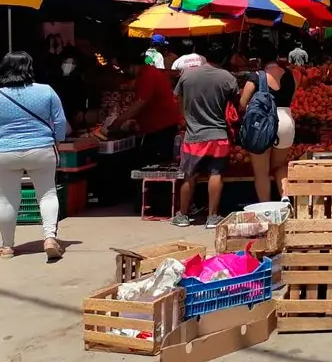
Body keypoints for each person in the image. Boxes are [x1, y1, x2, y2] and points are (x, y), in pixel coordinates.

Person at [0, 52, 68, 260]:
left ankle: (7, 247)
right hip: (42, 149)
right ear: (29, 68)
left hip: (5, 151)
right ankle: (49, 238)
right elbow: (60, 121)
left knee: (6, 199)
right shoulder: (46, 91)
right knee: (47, 193)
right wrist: (57, 141)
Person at [172, 45, 238, 229]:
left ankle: (182, 215)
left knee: (189, 175)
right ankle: (212, 217)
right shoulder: (228, 78)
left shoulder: (187, 75)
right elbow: (235, 105)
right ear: (224, 58)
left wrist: (186, 118)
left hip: (194, 135)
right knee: (216, 174)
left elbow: (178, 99)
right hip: (218, 135)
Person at [240, 44, 297, 204]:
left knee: (261, 172)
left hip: (263, 122)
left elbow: (243, 103)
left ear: (259, 60)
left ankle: (266, 207)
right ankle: (285, 196)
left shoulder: (256, 77)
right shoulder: (290, 76)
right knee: (280, 165)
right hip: (285, 120)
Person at [111, 52, 182, 167]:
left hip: (161, 127)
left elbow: (139, 104)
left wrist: (118, 122)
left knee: (155, 164)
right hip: (160, 126)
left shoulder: (147, 76)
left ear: (131, 66)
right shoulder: (148, 74)